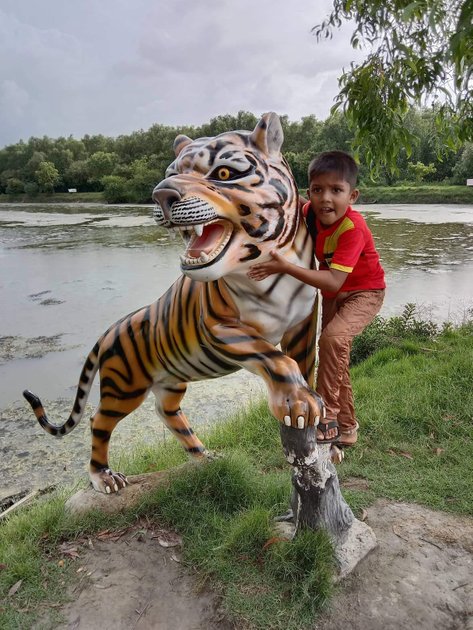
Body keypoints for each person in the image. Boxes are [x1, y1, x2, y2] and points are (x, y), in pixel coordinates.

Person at [248, 150, 385, 460]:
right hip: (334, 296)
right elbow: (280, 206)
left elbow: (334, 281)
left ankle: (328, 414)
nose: (326, 198)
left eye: (336, 191)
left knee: (334, 340)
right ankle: (348, 428)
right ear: (308, 192)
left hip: (364, 292)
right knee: (336, 357)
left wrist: (282, 266)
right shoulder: (309, 212)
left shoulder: (352, 228)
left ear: (353, 195)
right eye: (318, 190)